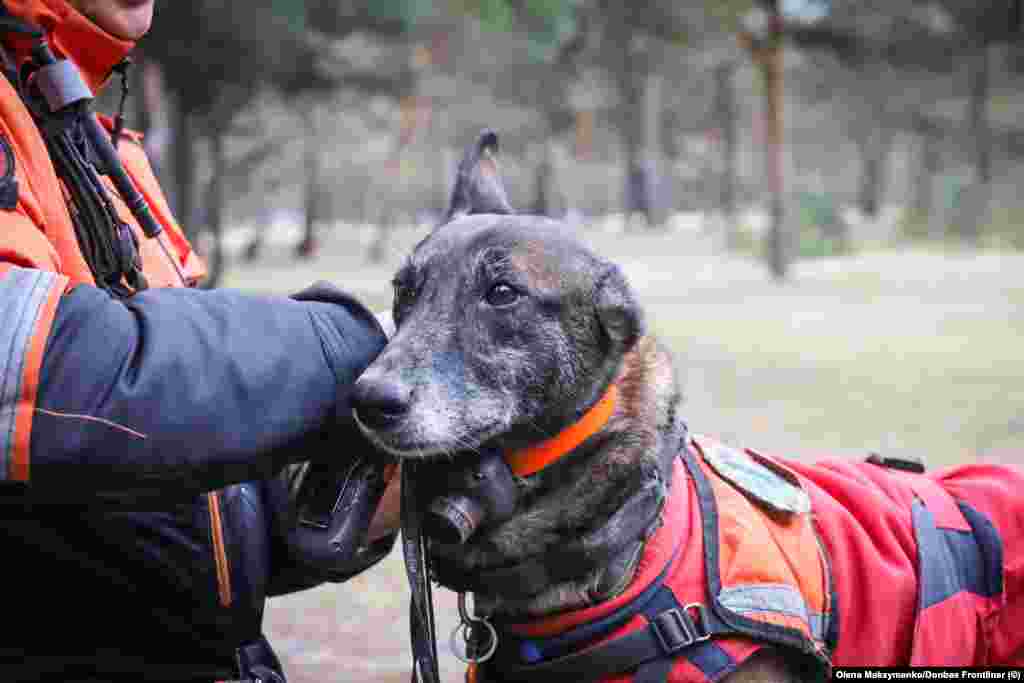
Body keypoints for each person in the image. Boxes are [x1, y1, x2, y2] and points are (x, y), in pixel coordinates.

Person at [0, 0, 401, 680]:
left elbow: (181, 500)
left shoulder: (79, 128)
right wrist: (359, 347)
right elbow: (55, 376)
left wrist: (381, 477)